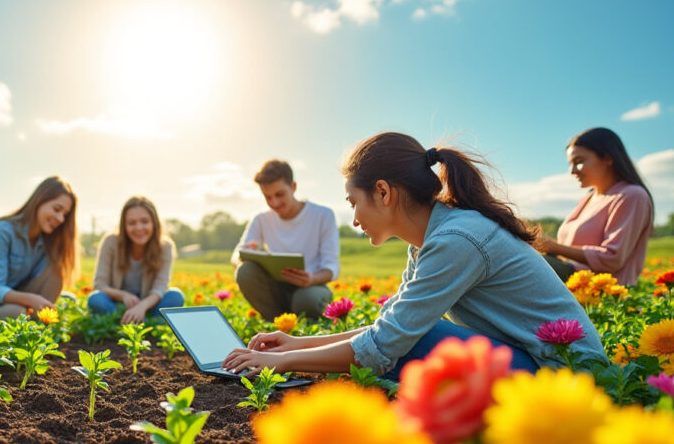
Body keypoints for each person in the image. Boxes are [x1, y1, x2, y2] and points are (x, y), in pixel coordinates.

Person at [223, 132, 607, 380]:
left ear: (384, 192)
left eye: (354, 203)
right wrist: (295, 345)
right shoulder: (428, 240)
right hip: (537, 366)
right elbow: (390, 326)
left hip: (568, 378)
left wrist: (280, 363)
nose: (354, 219)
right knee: (414, 338)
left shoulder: (456, 239)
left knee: (418, 343)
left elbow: (387, 343)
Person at [538, 127, 653, 285]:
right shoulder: (588, 198)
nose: (572, 171)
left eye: (578, 162)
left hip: (604, 291)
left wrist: (554, 246)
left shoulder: (632, 195)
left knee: (526, 267)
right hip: (573, 281)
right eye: (570, 164)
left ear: (607, 158)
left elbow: (612, 259)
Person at [231, 159, 340, 320]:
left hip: (311, 288)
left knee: (306, 299)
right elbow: (236, 256)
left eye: (279, 195)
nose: (274, 203)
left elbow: (332, 266)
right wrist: (249, 251)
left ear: (293, 187)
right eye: (267, 197)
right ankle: (277, 323)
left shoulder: (323, 215)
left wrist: (311, 279)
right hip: (276, 290)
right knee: (245, 271)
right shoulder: (260, 219)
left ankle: (302, 326)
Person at [0, 176, 77, 317]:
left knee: (57, 273)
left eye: (65, 215)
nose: (60, 219)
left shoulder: (47, 242)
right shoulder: (2, 231)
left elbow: (43, 283)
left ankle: (37, 321)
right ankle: (29, 321)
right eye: (57, 209)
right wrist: (31, 300)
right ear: (39, 201)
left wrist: (38, 302)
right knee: (16, 313)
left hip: (17, 301)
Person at [88, 196, 184, 324]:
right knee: (96, 299)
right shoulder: (110, 242)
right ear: (124, 225)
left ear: (154, 223)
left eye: (144, 221)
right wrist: (123, 295)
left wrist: (142, 306)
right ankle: (139, 321)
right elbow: (100, 284)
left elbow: (160, 288)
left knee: (176, 296)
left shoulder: (165, 247)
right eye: (132, 223)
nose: (139, 228)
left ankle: (133, 321)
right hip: (117, 304)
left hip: (148, 305)